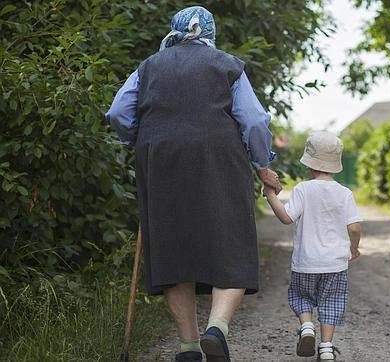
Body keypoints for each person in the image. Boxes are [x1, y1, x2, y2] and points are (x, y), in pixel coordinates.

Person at [105, 6, 282, 362]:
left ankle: (188, 346)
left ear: (174, 32)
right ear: (210, 34)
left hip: (160, 162)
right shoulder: (227, 64)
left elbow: (118, 113)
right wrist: (263, 166)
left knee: (172, 245)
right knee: (231, 240)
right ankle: (216, 328)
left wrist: (144, 140)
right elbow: (255, 122)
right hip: (219, 159)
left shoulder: (149, 65)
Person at [263, 131, 362, 360]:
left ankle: (306, 327)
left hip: (306, 263)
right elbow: (355, 228)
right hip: (335, 265)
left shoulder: (302, 189)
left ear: (309, 164)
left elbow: (286, 218)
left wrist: (270, 195)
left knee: (301, 297)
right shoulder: (345, 193)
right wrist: (354, 248)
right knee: (332, 303)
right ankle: (326, 347)